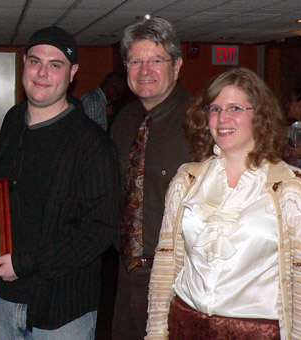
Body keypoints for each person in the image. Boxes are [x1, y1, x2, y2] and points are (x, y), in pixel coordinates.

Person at [146, 67, 301, 340]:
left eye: (235, 108)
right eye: (215, 109)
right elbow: (165, 263)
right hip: (185, 326)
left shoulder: (293, 189)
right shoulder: (187, 181)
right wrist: (156, 333)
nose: (222, 118)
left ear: (260, 116)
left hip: (254, 332)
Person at [0, 26, 122, 339]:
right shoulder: (13, 122)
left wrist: (25, 264)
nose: (42, 73)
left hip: (62, 310)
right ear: (24, 65)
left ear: (72, 74)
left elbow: (100, 228)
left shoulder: (93, 144)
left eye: (55, 65)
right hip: (1, 300)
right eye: (34, 61)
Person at [110, 15, 193, 339]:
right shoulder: (124, 121)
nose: (144, 71)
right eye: (135, 61)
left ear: (177, 65)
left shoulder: (201, 121)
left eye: (155, 60)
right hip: (126, 273)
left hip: (178, 279)